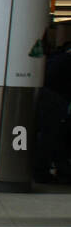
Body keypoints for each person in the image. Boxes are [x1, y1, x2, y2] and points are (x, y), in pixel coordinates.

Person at [33, 22, 71, 184]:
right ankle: (43, 171)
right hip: (54, 101)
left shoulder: (61, 58)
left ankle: (47, 169)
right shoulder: (64, 60)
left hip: (50, 99)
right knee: (49, 137)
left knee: (49, 137)